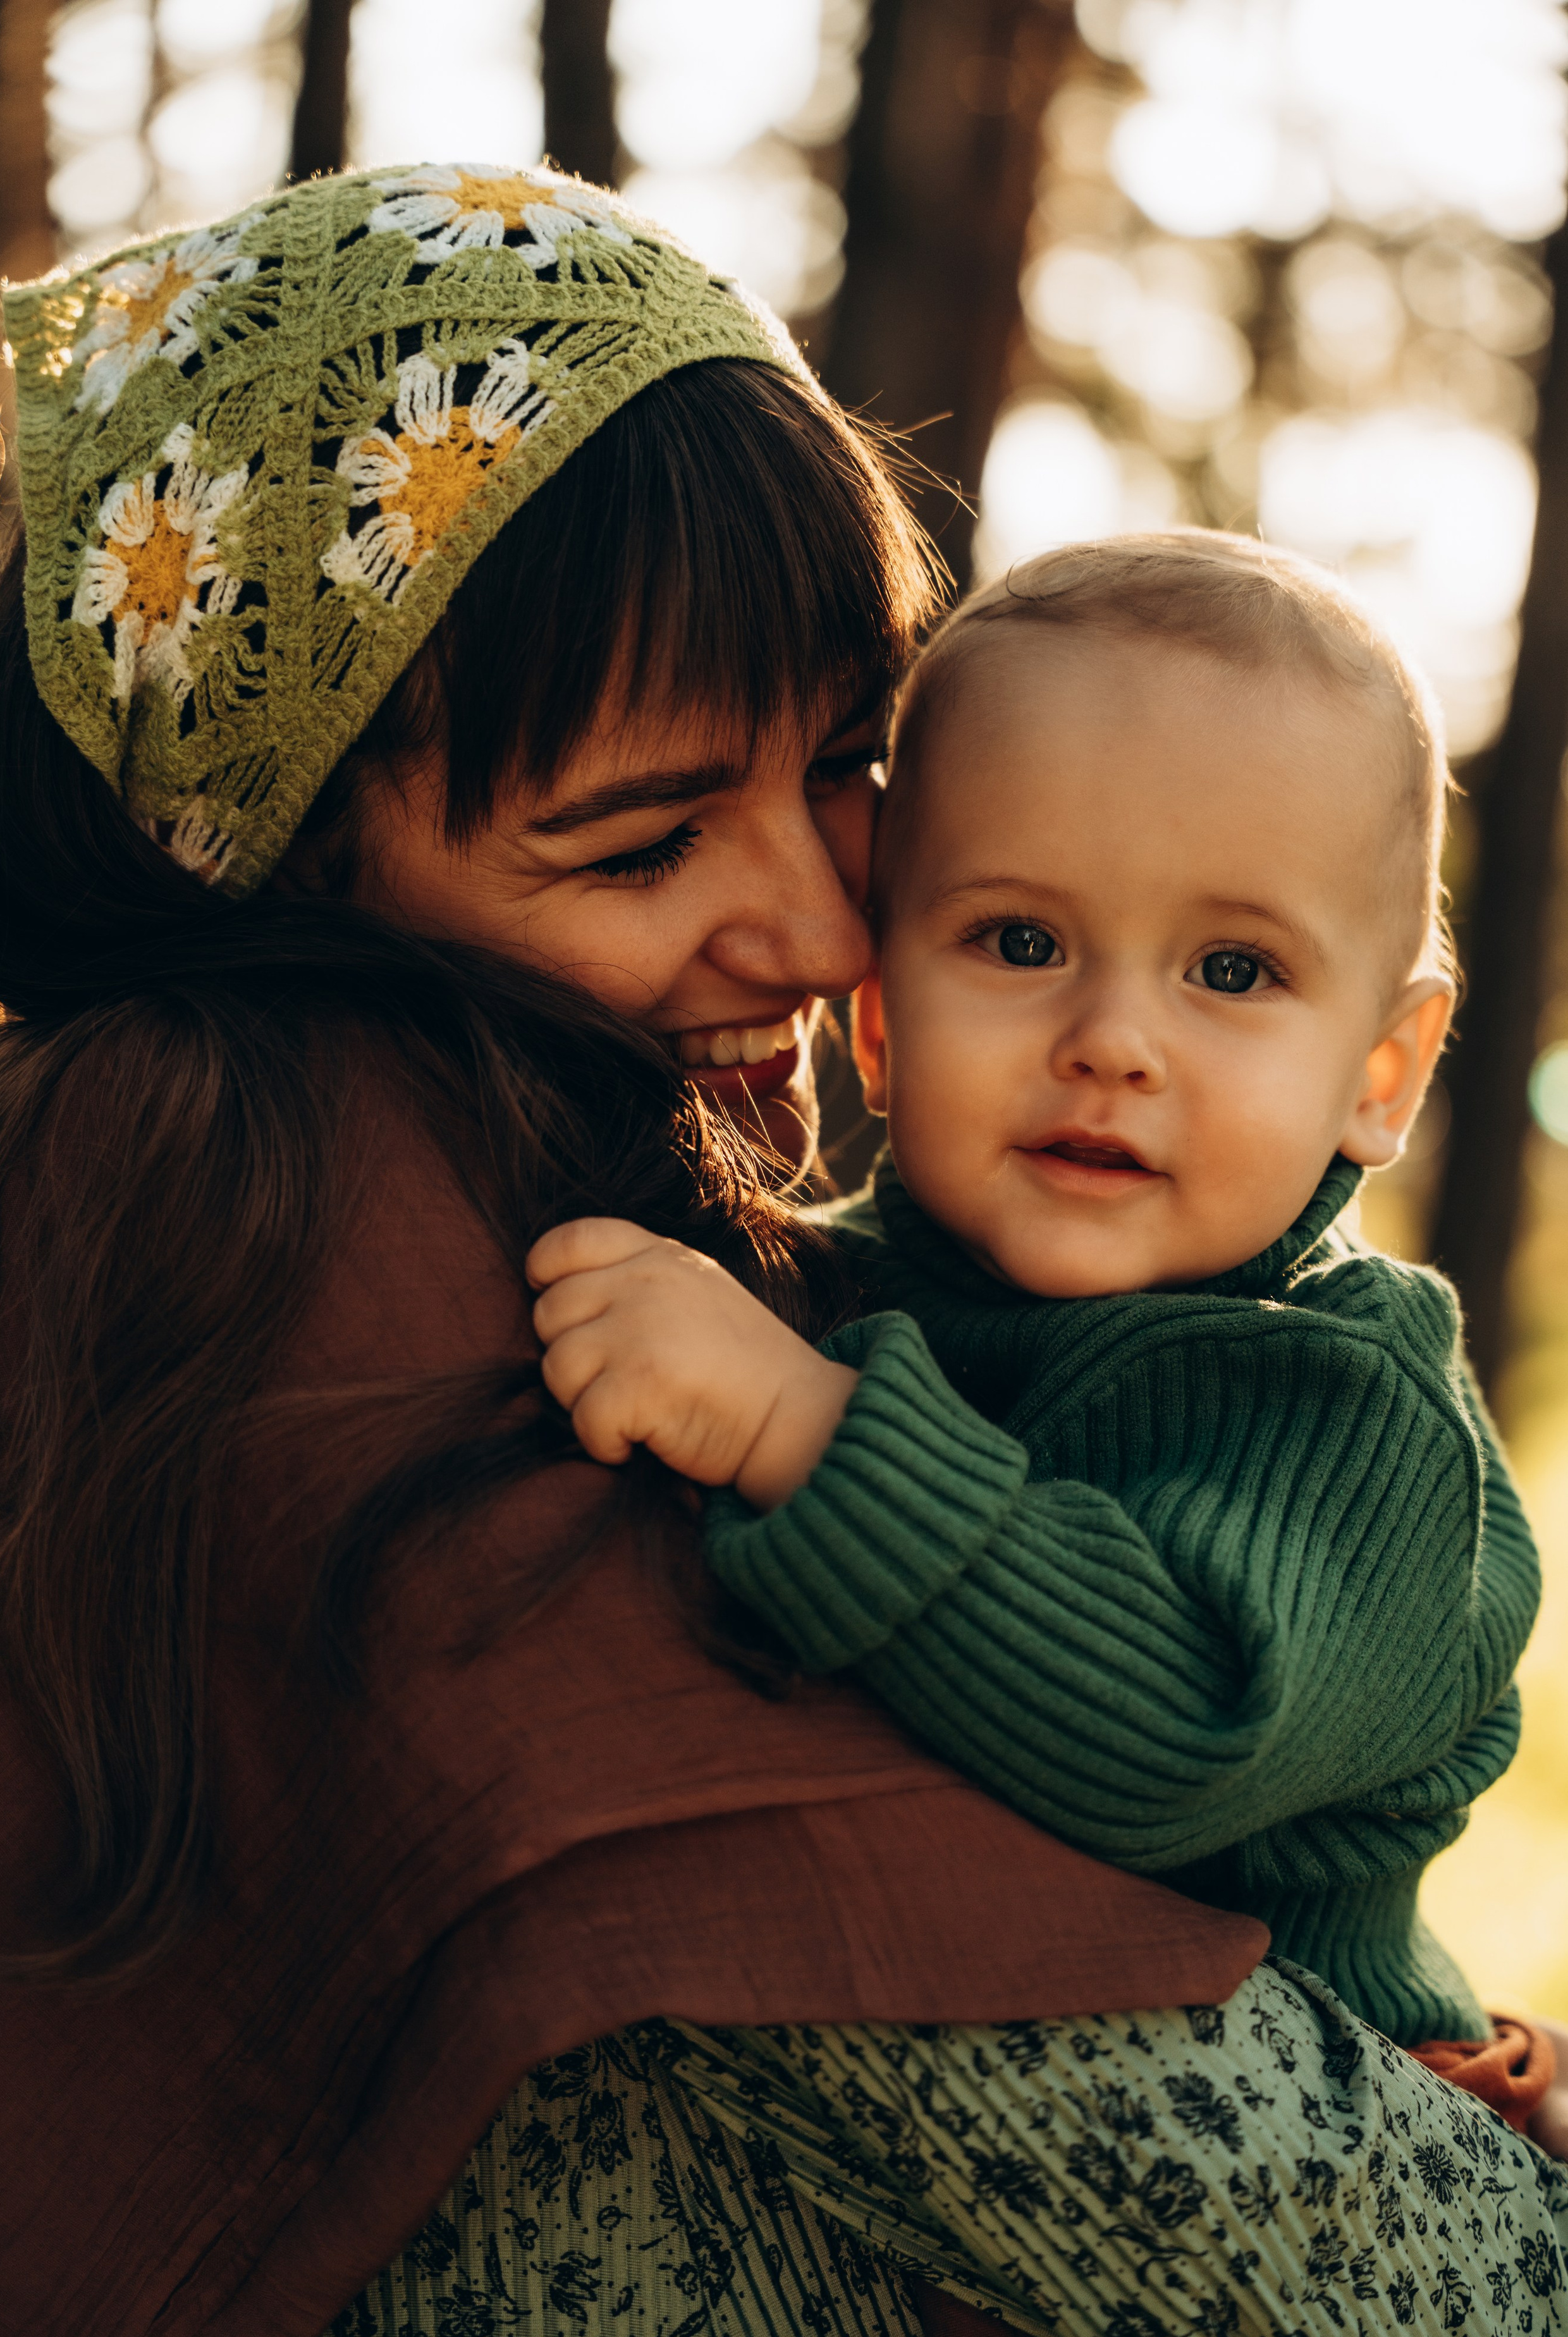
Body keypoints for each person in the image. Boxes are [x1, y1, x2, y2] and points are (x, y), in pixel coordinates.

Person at [0, 169, 1560, 2337]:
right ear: (278, 852)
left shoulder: (1187, 1354)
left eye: (842, 762)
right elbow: (1137, 2137)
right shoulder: (273, 1209)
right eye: (640, 842)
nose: (822, 930)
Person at [529, 531, 1550, 2088]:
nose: (1111, 1038)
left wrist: (804, 1428)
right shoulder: (806, 1287)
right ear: (877, 1019)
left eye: (1230, 968)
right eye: (1021, 942)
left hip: (1295, 2144)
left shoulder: (1343, 1405)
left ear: (1379, 1073)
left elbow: (1172, 1736)